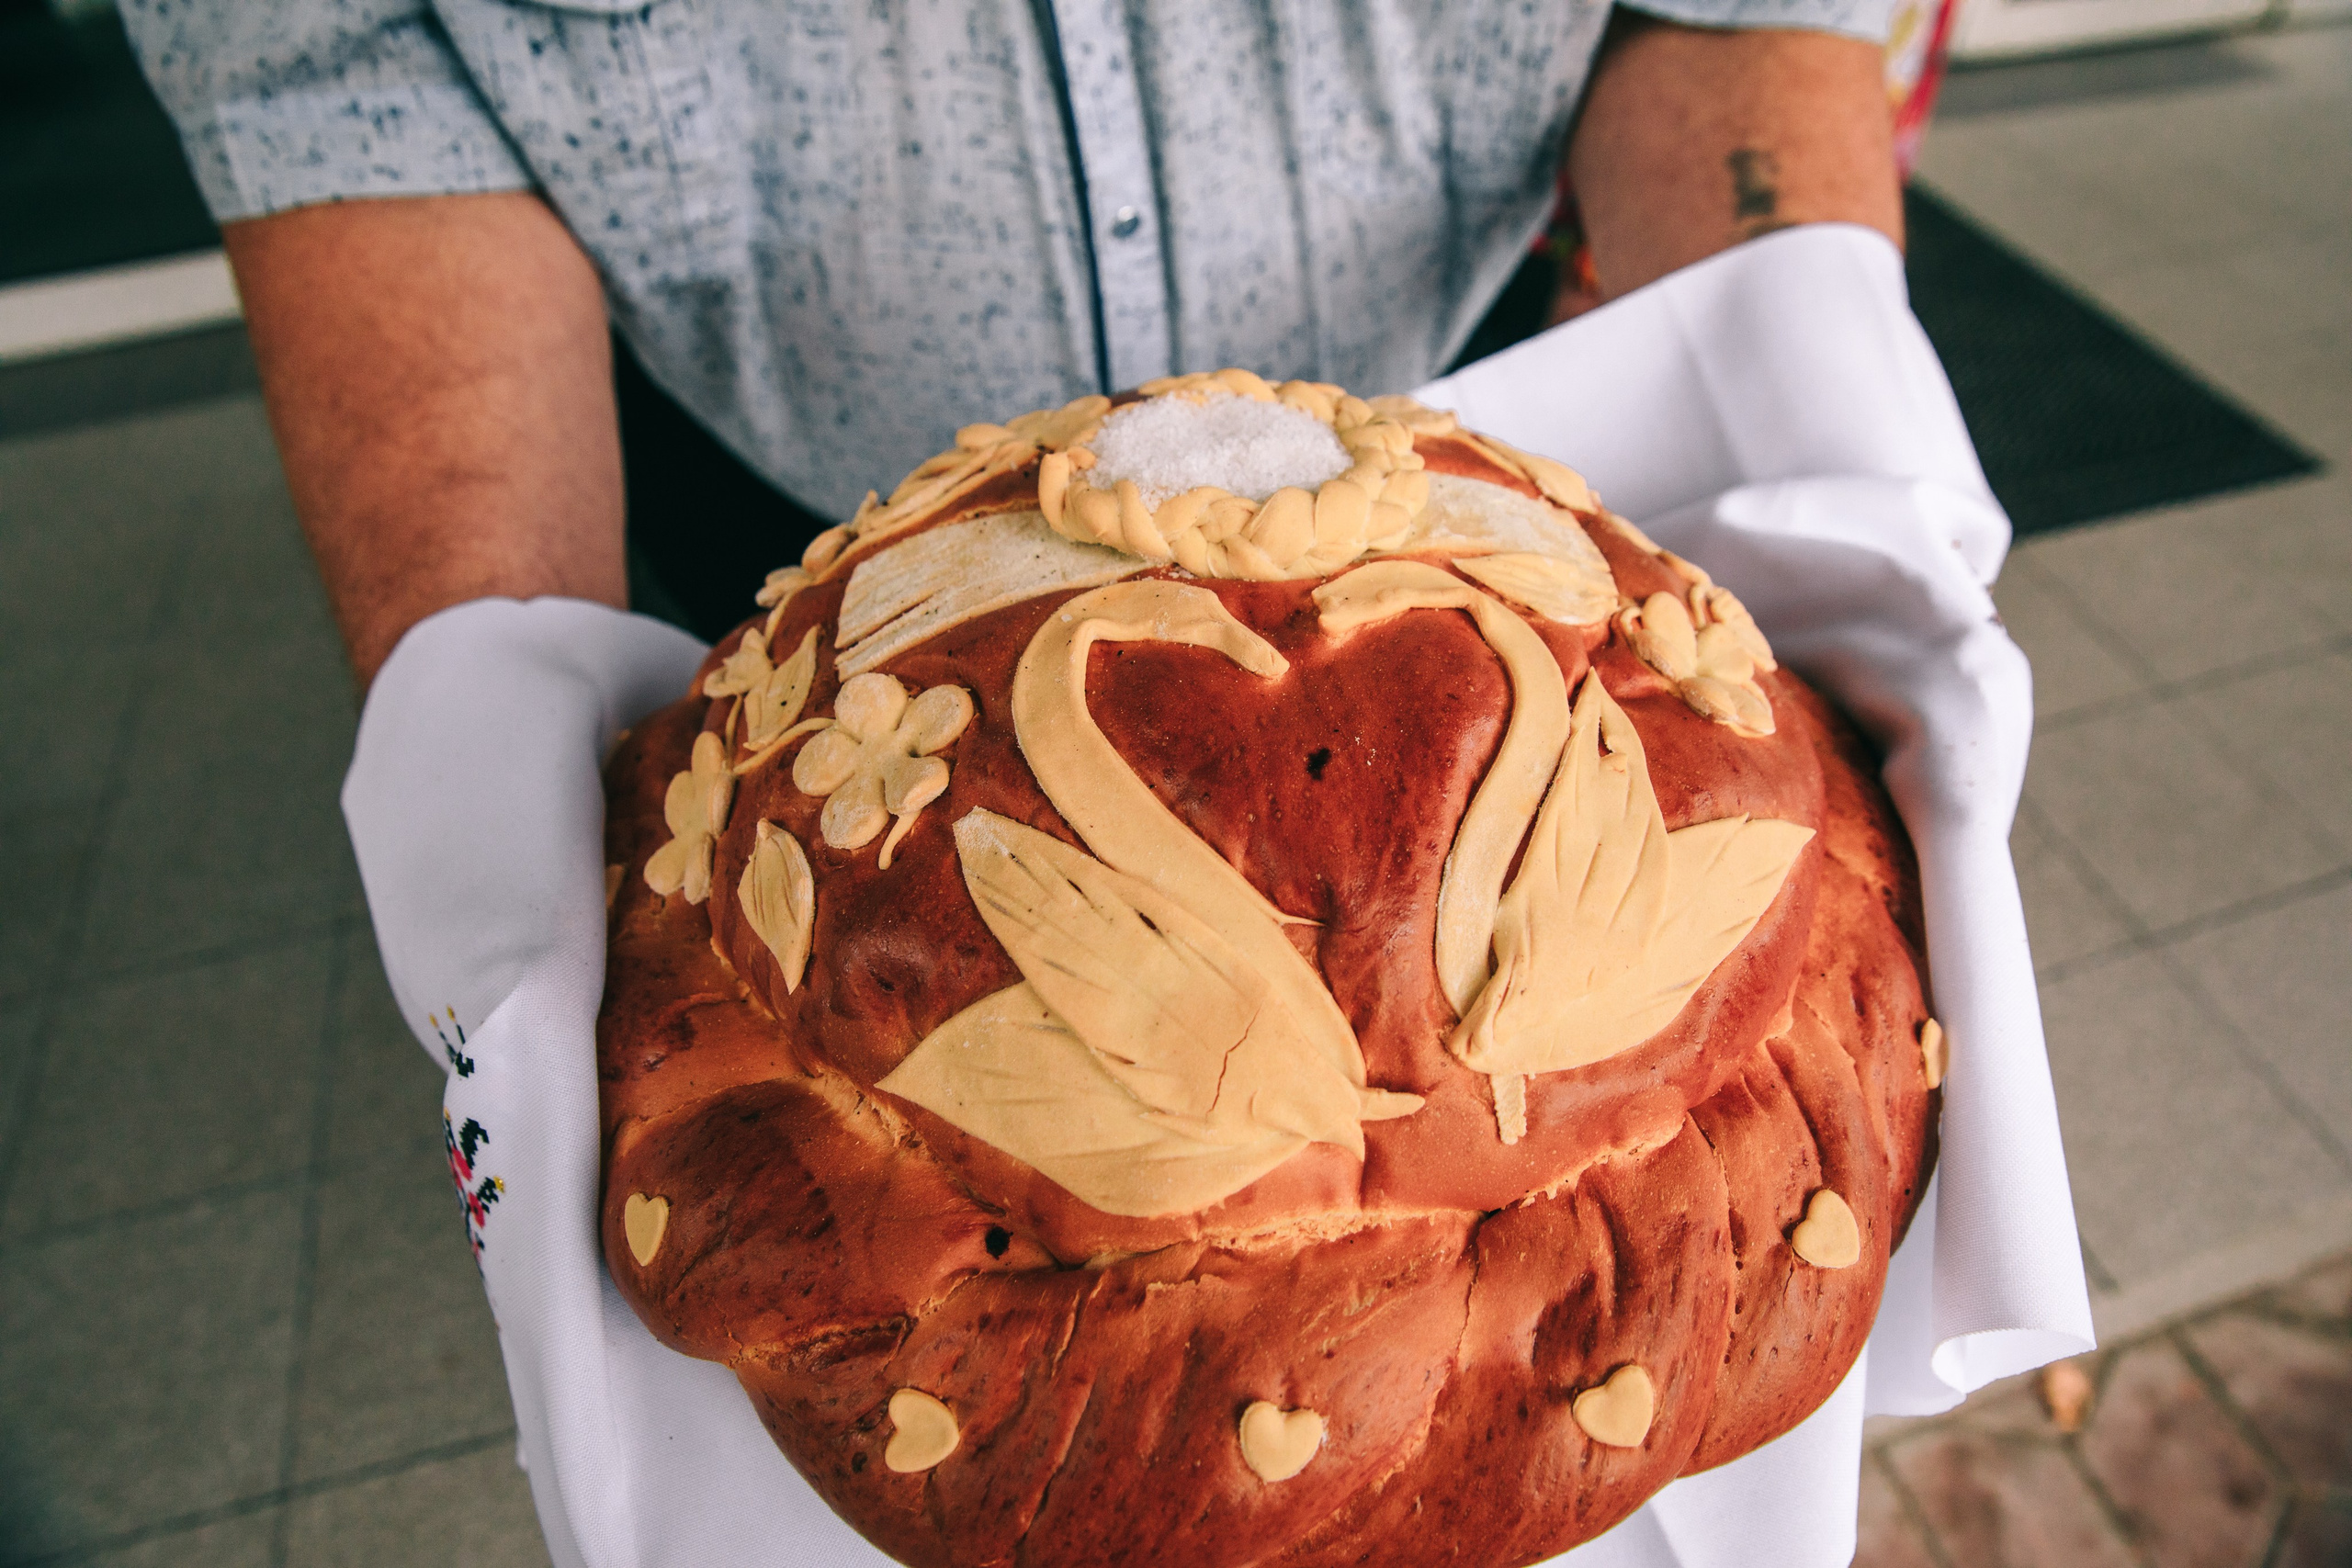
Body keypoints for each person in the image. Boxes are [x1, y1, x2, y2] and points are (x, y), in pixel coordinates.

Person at [123, 0, 1902, 686]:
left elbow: (1736, 12)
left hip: (1444, 404)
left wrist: (1825, 479)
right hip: (785, 504)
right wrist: (491, 701)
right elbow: (334, 78)